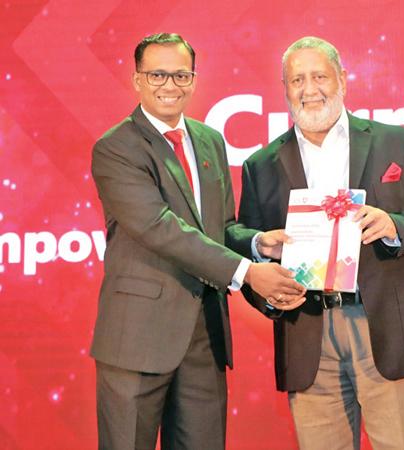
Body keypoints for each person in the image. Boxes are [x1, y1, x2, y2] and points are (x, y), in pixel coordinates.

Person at [230, 36, 404, 449]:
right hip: (307, 332)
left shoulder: (394, 141)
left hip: (386, 325)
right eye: (297, 79)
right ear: (285, 89)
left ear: (343, 81)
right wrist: (262, 244)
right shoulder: (260, 164)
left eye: (319, 76)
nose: (309, 89)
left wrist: (393, 225)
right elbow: (238, 236)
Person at [90, 32, 305, 449]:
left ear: (194, 79)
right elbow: (159, 227)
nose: (170, 86)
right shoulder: (116, 148)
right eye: (157, 75)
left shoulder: (209, 140)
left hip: (205, 336)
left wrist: (259, 244)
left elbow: (218, 228)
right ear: (136, 79)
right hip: (137, 340)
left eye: (180, 75)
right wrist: (247, 272)